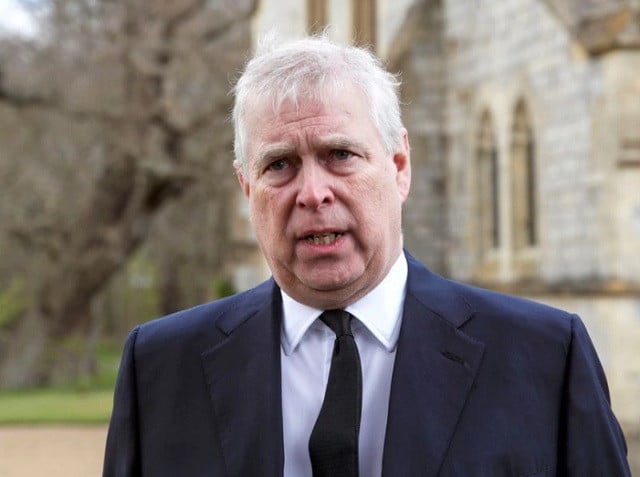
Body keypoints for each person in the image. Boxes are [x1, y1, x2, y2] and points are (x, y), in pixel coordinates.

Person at [103, 34, 631, 477]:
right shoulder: (159, 369)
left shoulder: (544, 357)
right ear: (247, 188)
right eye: (280, 165)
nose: (313, 192)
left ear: (399, 165)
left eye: (340, 155)